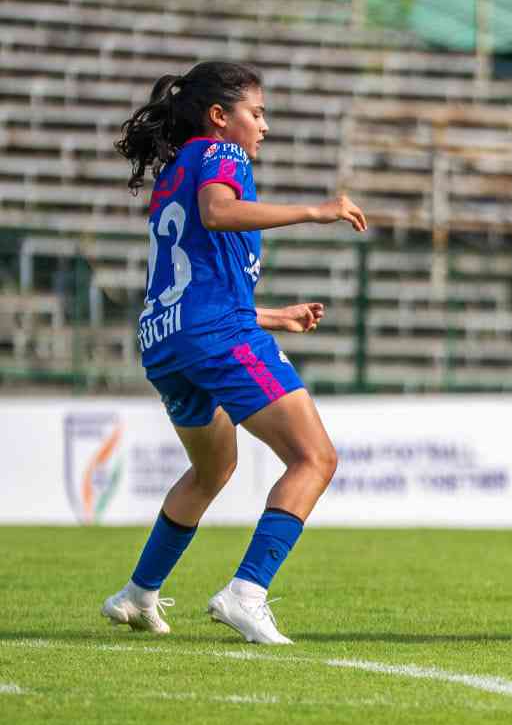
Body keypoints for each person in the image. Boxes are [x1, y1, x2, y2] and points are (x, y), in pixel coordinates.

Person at [100, 62, 367, 644]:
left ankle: (138, 594)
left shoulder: (174, 172)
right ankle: (246, 593)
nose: (264, 126)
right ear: (221, 118)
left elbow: (190, 278)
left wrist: (273, 316)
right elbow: (220, 213)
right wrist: (314, 211)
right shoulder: (222, 156)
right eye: (257, 112)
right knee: (315, 459)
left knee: (213, 468)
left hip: (168, 340)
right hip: (214, 336)